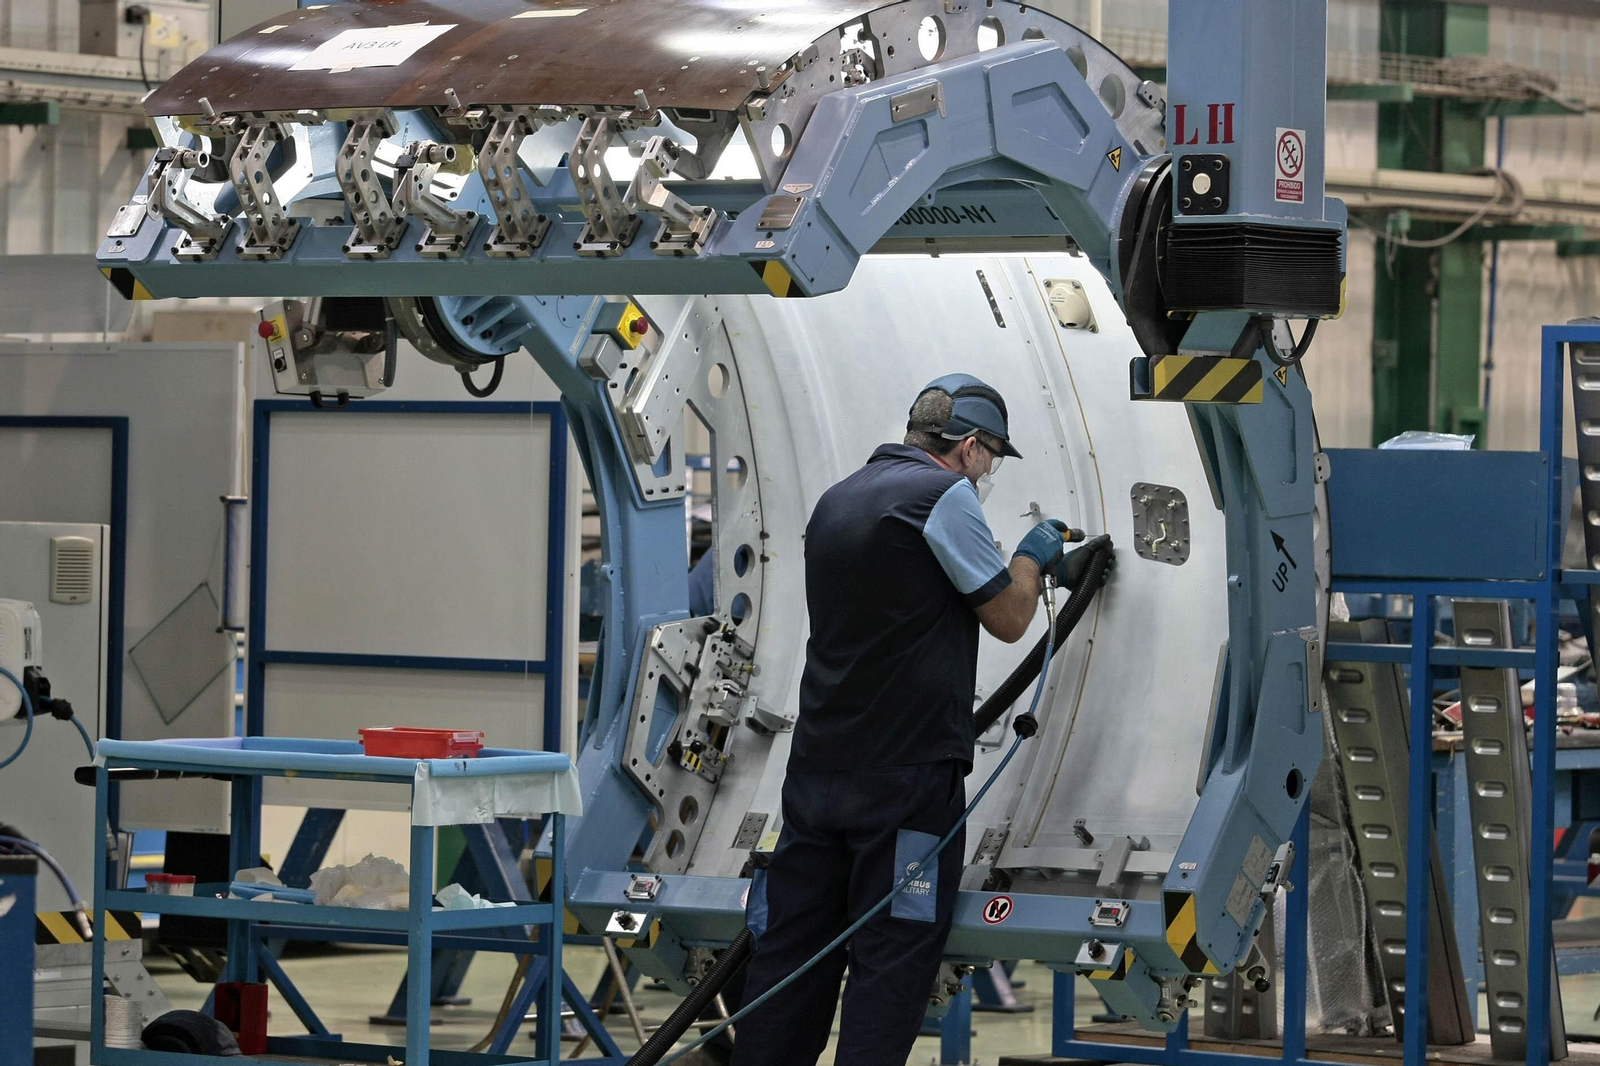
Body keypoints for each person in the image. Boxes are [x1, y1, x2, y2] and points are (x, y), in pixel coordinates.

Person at [731, 374, 1113, 1065]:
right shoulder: (945, 496)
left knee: (790, 959)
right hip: (904, 783)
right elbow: (1010, 617)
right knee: (890, 960)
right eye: (991, 454)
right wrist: (1034, 555)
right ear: (969, 446)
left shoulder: (837, 498)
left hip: (816, 773)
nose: (989, 469)